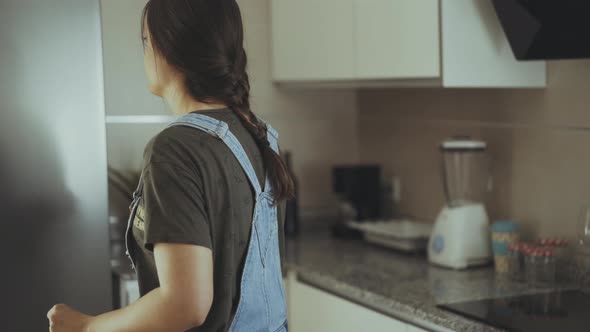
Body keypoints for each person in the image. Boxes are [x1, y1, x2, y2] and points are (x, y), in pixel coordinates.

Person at [47, 0, 293, 331]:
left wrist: (87, 327)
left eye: (145, 41)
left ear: (164, 45)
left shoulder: (174, 148)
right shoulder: (260, 135)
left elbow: (185, 304)